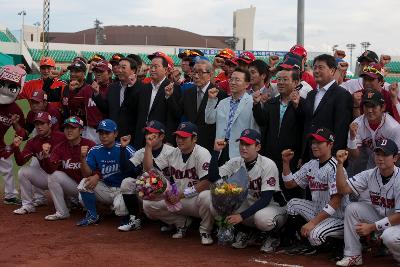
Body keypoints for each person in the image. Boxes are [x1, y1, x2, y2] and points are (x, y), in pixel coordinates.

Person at [208, 129, 286, 252]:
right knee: (216, 206)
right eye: (242, 144)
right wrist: (216, 152)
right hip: (250, 206)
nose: (243, 147)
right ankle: (247, 232)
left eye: (248, 144)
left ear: (258, 147)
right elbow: (213, 177)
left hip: (273, 207)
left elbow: (265, 199)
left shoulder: (268, 165)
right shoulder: (235, 162)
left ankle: (273, 236)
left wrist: (241, 216)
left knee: (262, 218)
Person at [142, 122, 214, 245]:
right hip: (177, 199)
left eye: (184, 137)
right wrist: (148, 146)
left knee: (206, 196)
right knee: (147, 203)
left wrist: (181, 194)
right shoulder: (173, 153)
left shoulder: (202, 153)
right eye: (177, 136)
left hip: (195, 200)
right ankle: (182, 223)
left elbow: (206, 182)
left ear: (194, 138)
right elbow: (150, 171)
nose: (179, 140)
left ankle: (205, 231)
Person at [281, 128, 348, 254]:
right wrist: (286, 163)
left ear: (330, 145)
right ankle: (304, 244)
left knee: (315, 236)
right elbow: (289, 184)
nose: (315, 146)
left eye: (319, 142)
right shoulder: (311, 164)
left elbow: (336, 201)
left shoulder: (335, 167)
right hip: (319, 211)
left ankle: (340, 245)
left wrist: (312, 223)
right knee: (292, 204)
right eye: (313, 142)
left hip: (338, 217)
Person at [335, 139, 400, 266]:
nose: (380, 158)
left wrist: (372, 227)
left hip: (398, 222)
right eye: (377, 154)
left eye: (385, 154)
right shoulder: (370, 174)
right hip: (383, 217)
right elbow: (343, 189)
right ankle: (353, 255)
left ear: (395, 158)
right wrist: (340, 164)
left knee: (389, 236)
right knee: (352, 208)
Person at [253, 68, 305, 200]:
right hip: (270, 156)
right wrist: (257, 105)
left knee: (289, 193)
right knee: (269, 190)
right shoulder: (272, 103)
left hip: (291, 157)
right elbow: (262, 122)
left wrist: (297, 106)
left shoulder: (303, 103)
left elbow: (305, 126)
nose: (280, 83)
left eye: (285, 80)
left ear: (296, 82)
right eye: (279, 79)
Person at [77, 119, 137, 227]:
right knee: (84, 183)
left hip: (123, 190)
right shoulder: (95, 150)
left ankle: (129, 216)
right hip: (106, 188)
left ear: (115, 134)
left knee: (119, 208)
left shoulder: (126, 148)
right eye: (101, 133)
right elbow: (86, 174)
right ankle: (92, 216)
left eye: (107, 133)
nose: (103, 136)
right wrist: (82, 158)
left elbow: (138, 170)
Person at [118, 120, 175, 231]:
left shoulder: (172, 151)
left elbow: (157, 174)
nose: (148, 136)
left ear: (161, 136)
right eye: (147, 133)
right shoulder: (141, 152)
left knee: (155, 182)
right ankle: (135, 219)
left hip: (168, 192)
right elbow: (125, 169)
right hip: (151, 190)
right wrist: (123, 148)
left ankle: (170, 221)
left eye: (152, 133)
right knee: (127, 182)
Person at [166, 59, 227, 152]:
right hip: (189, 144)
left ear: (210, 75)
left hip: (209, 144)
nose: (196, 76)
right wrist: (169, 96)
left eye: (201, 73)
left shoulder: (219, 94)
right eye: (194, 72)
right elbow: (177, 113)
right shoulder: (188, 92)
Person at [300, 54, 353, 161]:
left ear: (332, 71)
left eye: (321, 67)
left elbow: (341, 129)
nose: (316, 71)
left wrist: (333, 157)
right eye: (314, 67)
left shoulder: (342, 95)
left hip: (329, 157)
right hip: (309, 156)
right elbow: (307, 124)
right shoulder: (311, 94)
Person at [41, 116, 95, 220]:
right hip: (74, 186)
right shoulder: (60, 147)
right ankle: (62, 212)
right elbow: (50, 169)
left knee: (85, 200)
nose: (69, 131)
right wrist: (46, 156)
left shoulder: (90, 145)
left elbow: (97, 170)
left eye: (73, 128)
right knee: (53, 176)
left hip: (91, 186)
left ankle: (100, 207)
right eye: (66, 128)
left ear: (81, 130)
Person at [12, 112, 66, 214]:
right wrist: (16, 148)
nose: (39, 127)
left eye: (42, 124)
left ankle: (72, 200)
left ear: (50, 124)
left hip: (65, 178)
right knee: (23, 172)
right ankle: (28, 205)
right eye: (37, 124)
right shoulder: (33, 142)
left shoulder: (62, 138)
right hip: (48, 177)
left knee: (57, 176)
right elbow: (20, 162)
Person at [126, 52, 180, 148]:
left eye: (156, 66)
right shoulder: (144, 88)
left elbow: (175, 115)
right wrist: (131, 86)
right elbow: (131, 109)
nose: (152, 70)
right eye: (151, 67)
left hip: (161, 140)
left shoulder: (173, 87)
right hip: (141, 138)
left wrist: (169, 140)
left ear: (166, 70)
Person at [205, 68, 259, 164]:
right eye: (231, 79)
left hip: (241, 150)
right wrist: (211, 100)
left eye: (237, 80)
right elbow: (209, 120)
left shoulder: (251, 103)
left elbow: (254, 128)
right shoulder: (223, 102)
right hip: (221, 148)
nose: (233, 82)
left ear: (246, 84)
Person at [347, 90, 400, 177]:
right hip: (372, 159)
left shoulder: (393, 127)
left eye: (373, 106)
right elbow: (354, 155)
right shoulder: (357, 124)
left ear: (383, 107)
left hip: (392, 163)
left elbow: (398, 155)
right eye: (366, 106)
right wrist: (352, 138)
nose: (369, 110)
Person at [92, 57, 140, 137]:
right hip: (113, 134)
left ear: (133, 70)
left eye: (123, 67)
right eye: (118, 67)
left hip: (132, 135)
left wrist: (132, 87)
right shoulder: (112, 87)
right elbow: (107, 109)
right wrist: (97, 94)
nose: (119, 70)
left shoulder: (142, 88)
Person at [0, 65, 27, 205]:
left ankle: (10, 195)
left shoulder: (15, 109)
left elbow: (22, 132)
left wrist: (16, 124)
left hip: (0, 144)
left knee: (8, 167)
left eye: (11, 87)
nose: (4, 89)